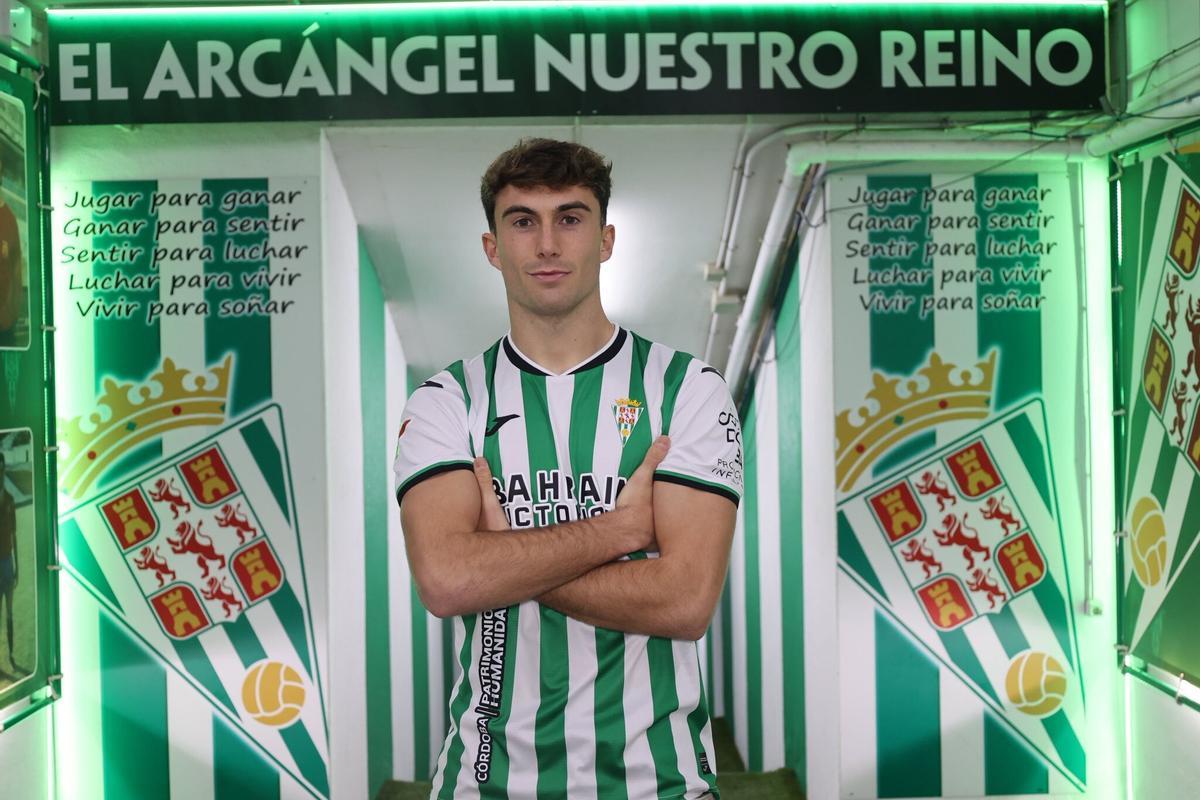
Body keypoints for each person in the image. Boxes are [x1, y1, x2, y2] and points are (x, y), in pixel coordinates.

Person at [393, 138, 743, 799]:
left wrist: (500, 560)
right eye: (523, 221)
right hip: (486, 783)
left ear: (606, 240)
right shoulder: (446, 402)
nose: (548, 244)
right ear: (493, 247)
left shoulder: (687, 391)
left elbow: (687, 599)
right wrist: (616, 533)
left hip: (658, 784)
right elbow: (445, 581)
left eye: (570, 218)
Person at [0, 452, 19, 674]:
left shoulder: (11, 501)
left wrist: (18, 568)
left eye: (2, 468)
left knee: (10, 613)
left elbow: (14, 535)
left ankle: (11, 655)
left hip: (7, 563)